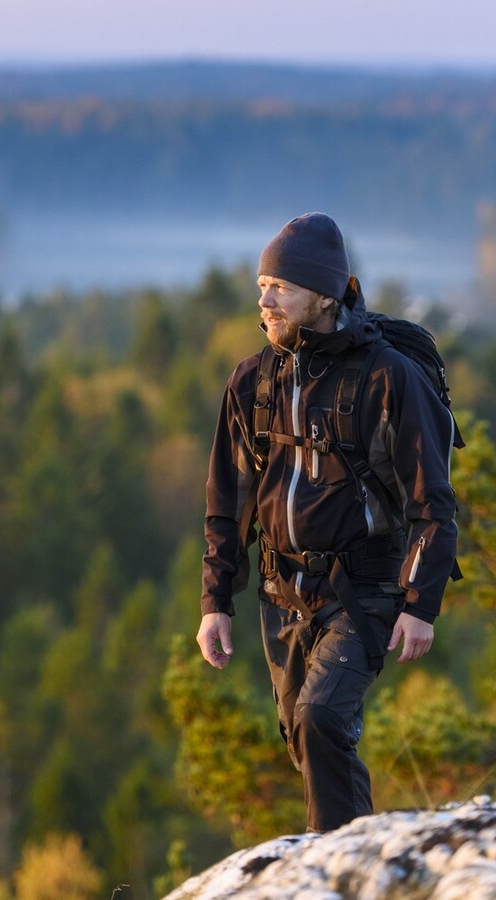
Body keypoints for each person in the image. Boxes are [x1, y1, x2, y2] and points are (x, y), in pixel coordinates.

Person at [195, 212, 459, 833]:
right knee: (306, 741)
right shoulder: (252, 380)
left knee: (321, 722)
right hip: (279, 593)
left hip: (363, 590)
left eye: (279, 286)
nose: (264, 300)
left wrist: (420, 604)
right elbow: (227, 500)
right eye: (261, 284)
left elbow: (433, 503)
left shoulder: (387, 378)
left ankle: (333, 868)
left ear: (322, 293)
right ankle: (355, 852)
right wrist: (215, 601)